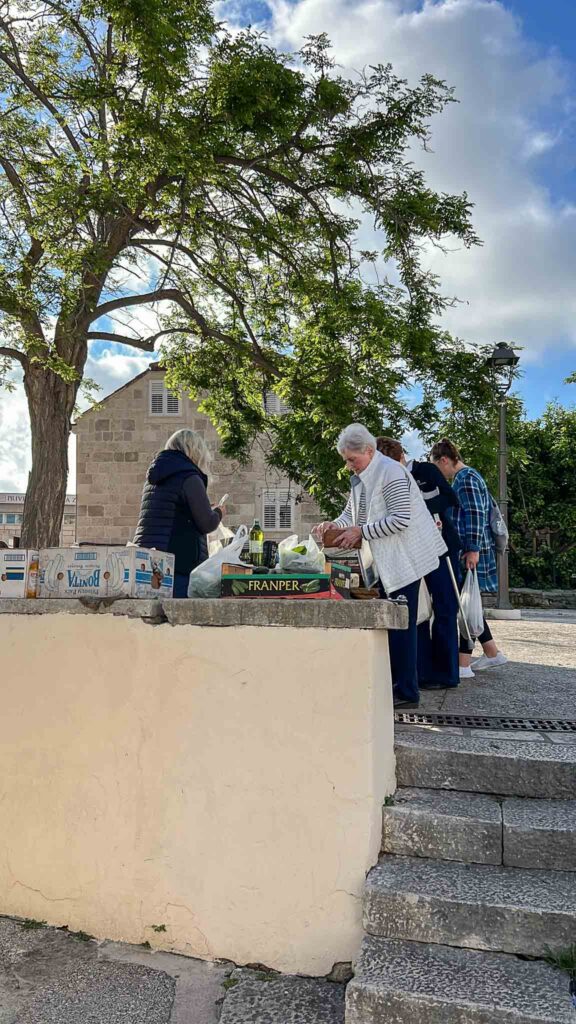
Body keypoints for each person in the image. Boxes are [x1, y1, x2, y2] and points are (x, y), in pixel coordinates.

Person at [314, 424, 447, 709]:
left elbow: (400, 519)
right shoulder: (364, 476)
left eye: (352, 459)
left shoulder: (391, 472)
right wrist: (332, 525)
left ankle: (407, 692)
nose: (349, 466)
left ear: (369, 451)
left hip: (406, 560)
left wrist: (361, 532)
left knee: (402, 626)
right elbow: (352, 514)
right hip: (389, 561)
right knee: (395, 625)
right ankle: (397, 686)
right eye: (346, 460)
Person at [377, 437, 460, 690]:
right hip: (409, 552)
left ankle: (447, 674)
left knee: (445, 606)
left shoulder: (426, 471)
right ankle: (421, 671)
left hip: (440, 548)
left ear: (401, 458)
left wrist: (417, 506)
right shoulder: (385, 481)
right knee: (416, 612)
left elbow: (450, 498)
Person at [431, 438, 507, 677]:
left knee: (463, 603)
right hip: (471, 548)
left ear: (444, 460)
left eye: (437, 466)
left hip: (469, 550)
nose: (439, 473)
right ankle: (491, 653)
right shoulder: (469, 477)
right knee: (468, 601)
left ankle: (464, 664)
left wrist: (472, 549)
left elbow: (475, 515)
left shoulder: (465, 479)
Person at [134, 428, 226, 598]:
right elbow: (207, 523)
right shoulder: (189, 476)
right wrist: (218, 512)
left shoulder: (154, 478)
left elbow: (171, 511)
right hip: (177, 564)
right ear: (195, 451)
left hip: (146, 561)